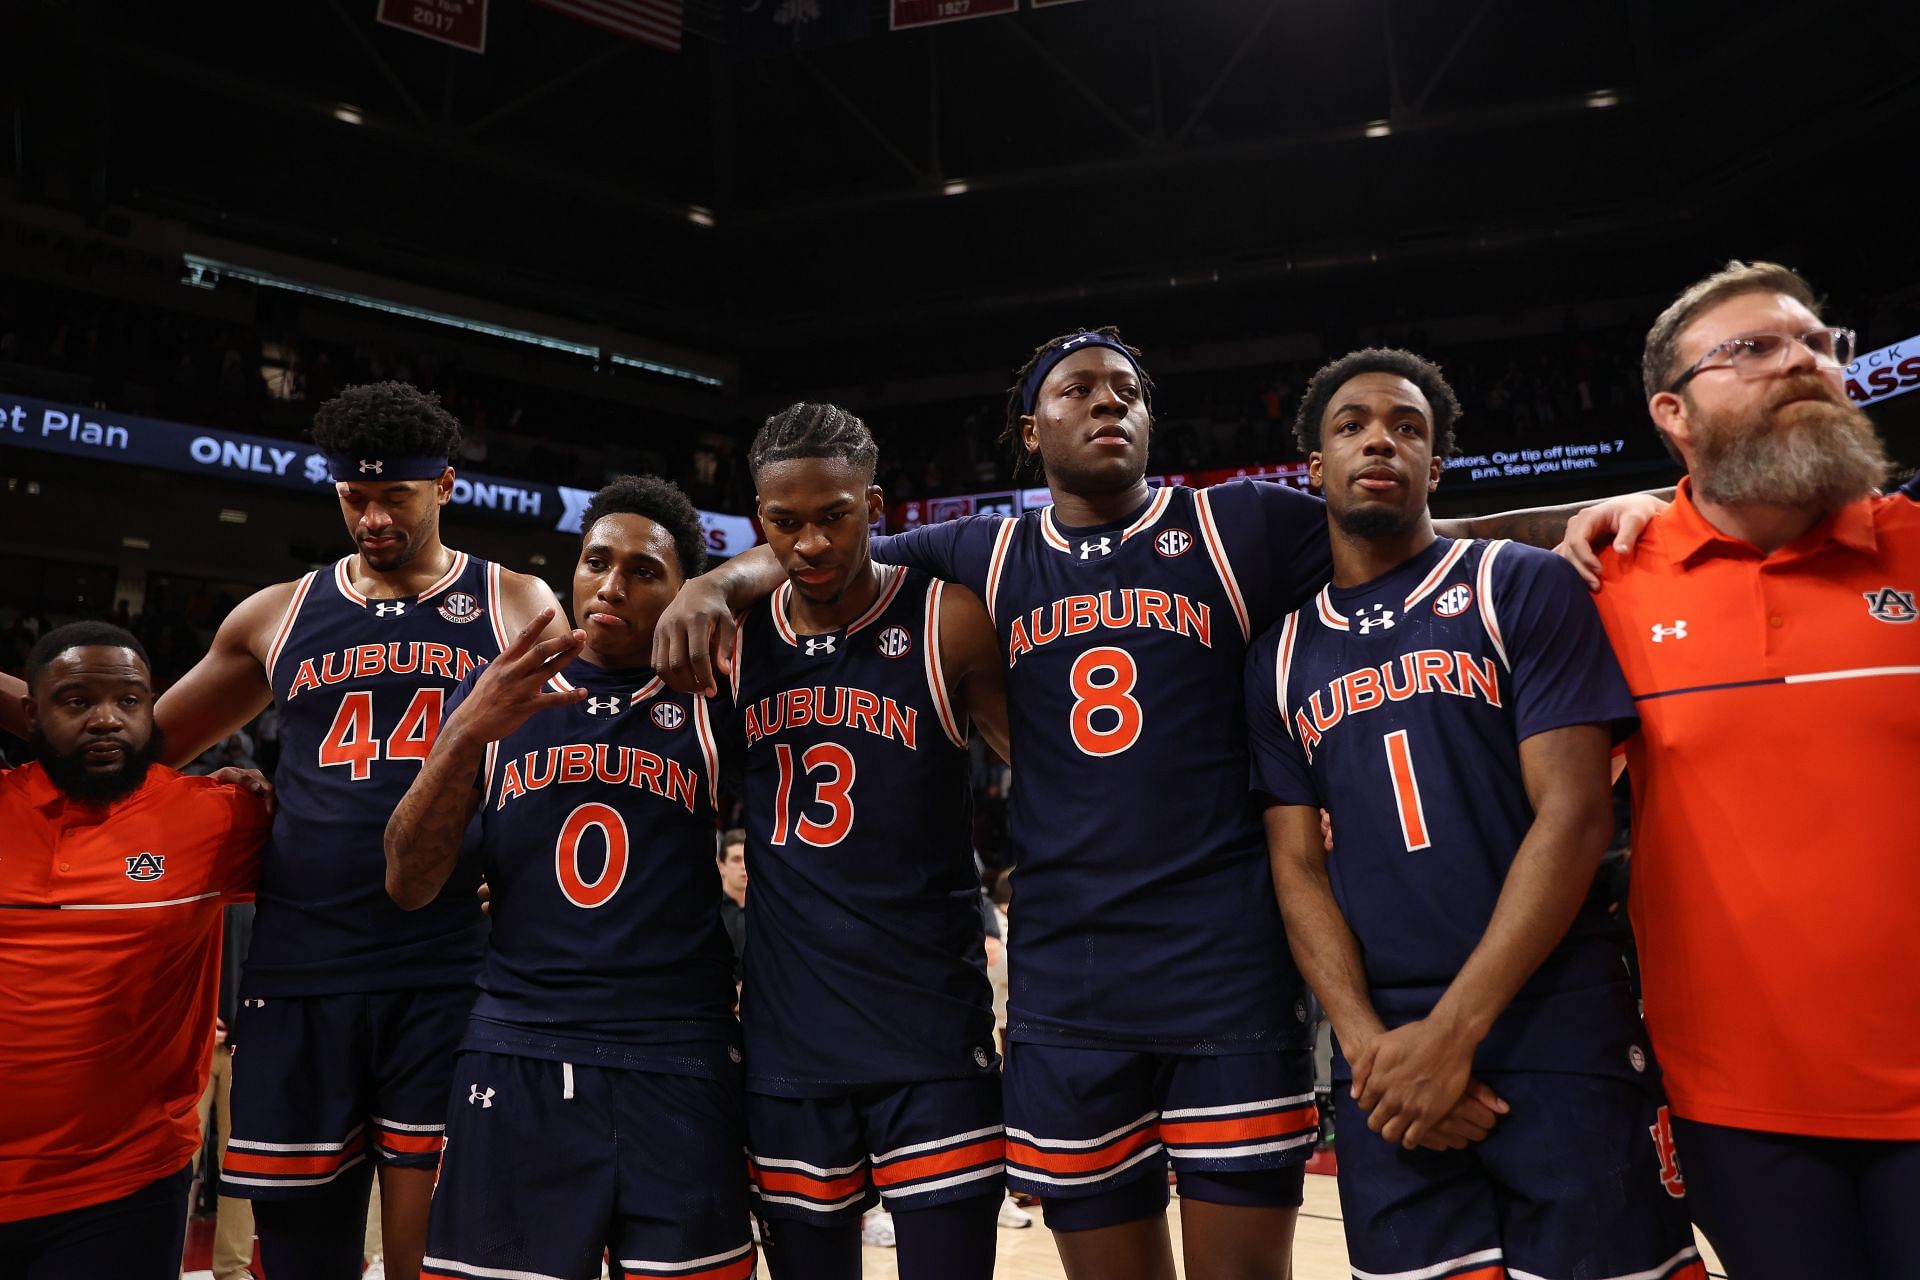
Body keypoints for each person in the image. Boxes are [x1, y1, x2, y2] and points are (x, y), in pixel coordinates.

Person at [653, 332, 1607, 1280]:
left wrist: (1621, 510)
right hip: (1069, 984)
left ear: (1152, 418)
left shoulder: (1236, 525)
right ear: (1031, 430)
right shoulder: (986, 551)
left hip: (1224, 966)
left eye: (1127, 391)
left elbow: (1412, 530)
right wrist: (714, 581)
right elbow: (827, 546)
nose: (1107, 404)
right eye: (1077, 391)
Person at [1246, 349, 1703, 1280]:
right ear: (1314, 469)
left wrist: (1449, 1041)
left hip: (1553, 1011)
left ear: (1436, 468)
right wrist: (1376, 1054)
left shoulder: (1516, 586)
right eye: (1353, 425)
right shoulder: (1279, 658)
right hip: (1387, 1048)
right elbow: (1294, 867)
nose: (1381, 438)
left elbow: (1574, 815)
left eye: (1408, 427)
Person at [149, 382, 568, 1280]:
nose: (372, 518)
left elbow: (561, 777)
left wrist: (519, 862)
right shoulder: (277, 613)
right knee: (300, 1259)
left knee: (434, 1257)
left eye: (395, 497)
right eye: (353, 498)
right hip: (301, 966)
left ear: (446, 485)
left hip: (449, 966)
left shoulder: (514, 601)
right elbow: (148, 746)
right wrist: (213, 794)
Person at [1581, 262, 1920, 1278]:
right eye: (1756, 347)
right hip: (1736, 1104)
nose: (1805, 361)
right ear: (1672, 412)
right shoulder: (1601, 587)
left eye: (1821, 343)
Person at [385, 475, 755, 1280]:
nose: (612, 585)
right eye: (596, 561)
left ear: (681, 591)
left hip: (675, 1052)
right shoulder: (498, 694)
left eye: (645, 571)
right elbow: (408, 882)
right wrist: (464, 732)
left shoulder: (714, 694)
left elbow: (798, 556)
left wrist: (725, 587)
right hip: (518, 1040)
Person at [731, 404, 1011, 1280]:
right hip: (790, 1037)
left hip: (929, 1027)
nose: (809, 542)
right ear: (759, 521)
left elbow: (1057, 781)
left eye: (833, 515)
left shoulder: (948, 620)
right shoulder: (734, 637)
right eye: (785, 522)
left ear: (876, 506)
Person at [0, 623, 271, 1279]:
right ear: (31, 715)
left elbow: (364, 865)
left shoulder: (219, 817)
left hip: (121, 1187)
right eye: (76, 702)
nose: (107, 721)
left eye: (130, 701)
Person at [718, 826, 748, 976]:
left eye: (747, 859)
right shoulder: (711, 910)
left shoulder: (767, 908)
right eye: (736, 860)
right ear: (721, 866)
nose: (744, 866)